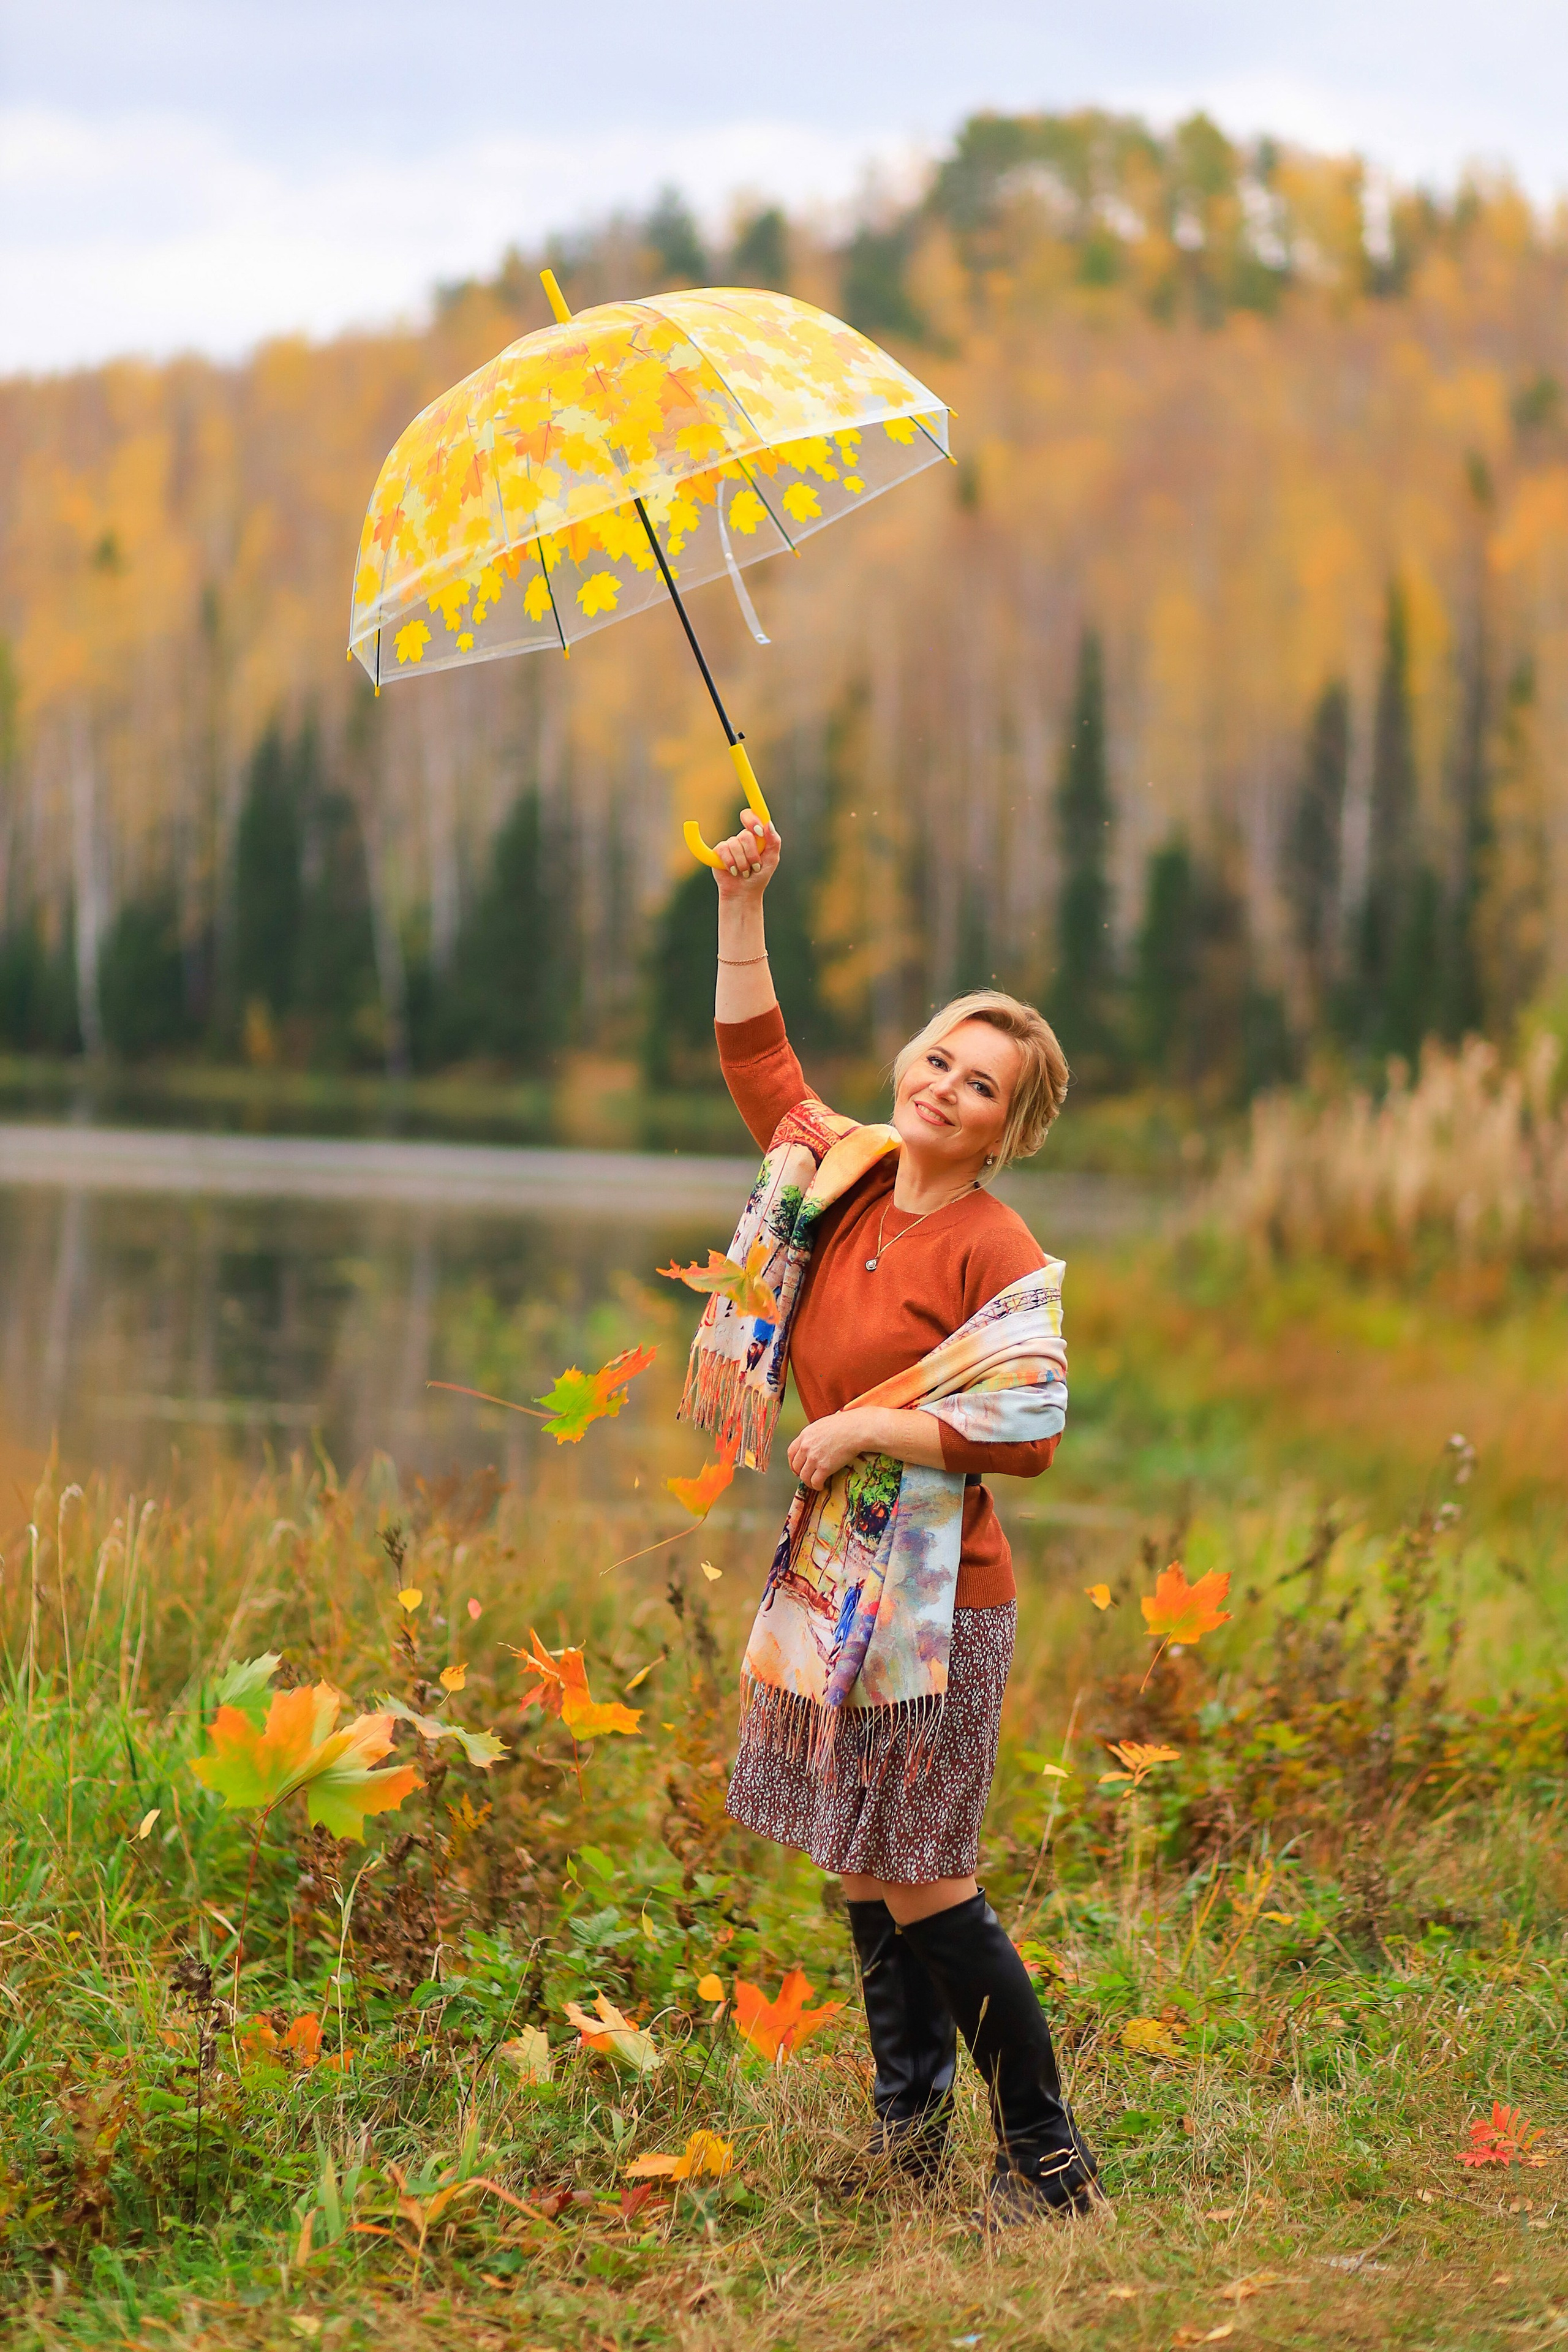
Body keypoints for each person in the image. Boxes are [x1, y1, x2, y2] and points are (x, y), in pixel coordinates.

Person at [688, 804, 1099, 2222]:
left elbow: (1027, 1430)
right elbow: (757, 1060)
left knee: (923, 1876)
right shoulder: (838, 1173)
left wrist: (863, 1421)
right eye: (937, 1056)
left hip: (938, 1604)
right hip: (837, 1585)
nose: (942, 1087)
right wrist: (744, 905)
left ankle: (1048, 2165)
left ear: (1008, 1131)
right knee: (861, 1861)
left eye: (979, 1086)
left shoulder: (996, 1244)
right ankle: (906, 2134)